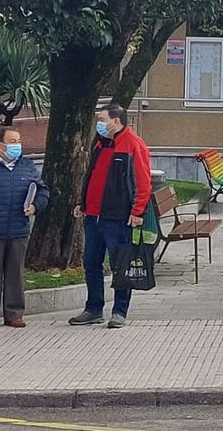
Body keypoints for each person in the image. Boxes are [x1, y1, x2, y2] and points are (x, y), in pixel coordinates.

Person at [69, 105, 152, 329]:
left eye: (102, 119)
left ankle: (119, 311)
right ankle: (93, 308)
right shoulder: (100, 143)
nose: (99, 123)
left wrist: (137, 212)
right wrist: (82, 202)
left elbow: (143, 182)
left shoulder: (133, 145)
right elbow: (91, 176)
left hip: (117, 217)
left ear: (116, 121)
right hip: (93, 216)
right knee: (91, 263)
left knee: (120, 264)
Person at [0, 126, 49, 328]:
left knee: (15, 273)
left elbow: (42, 190)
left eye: (18, 141)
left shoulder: (27, 166)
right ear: (0, 145)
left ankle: (14, 314)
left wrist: (35, 206)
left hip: (18, 229)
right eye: (12, 141)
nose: (17, 145)